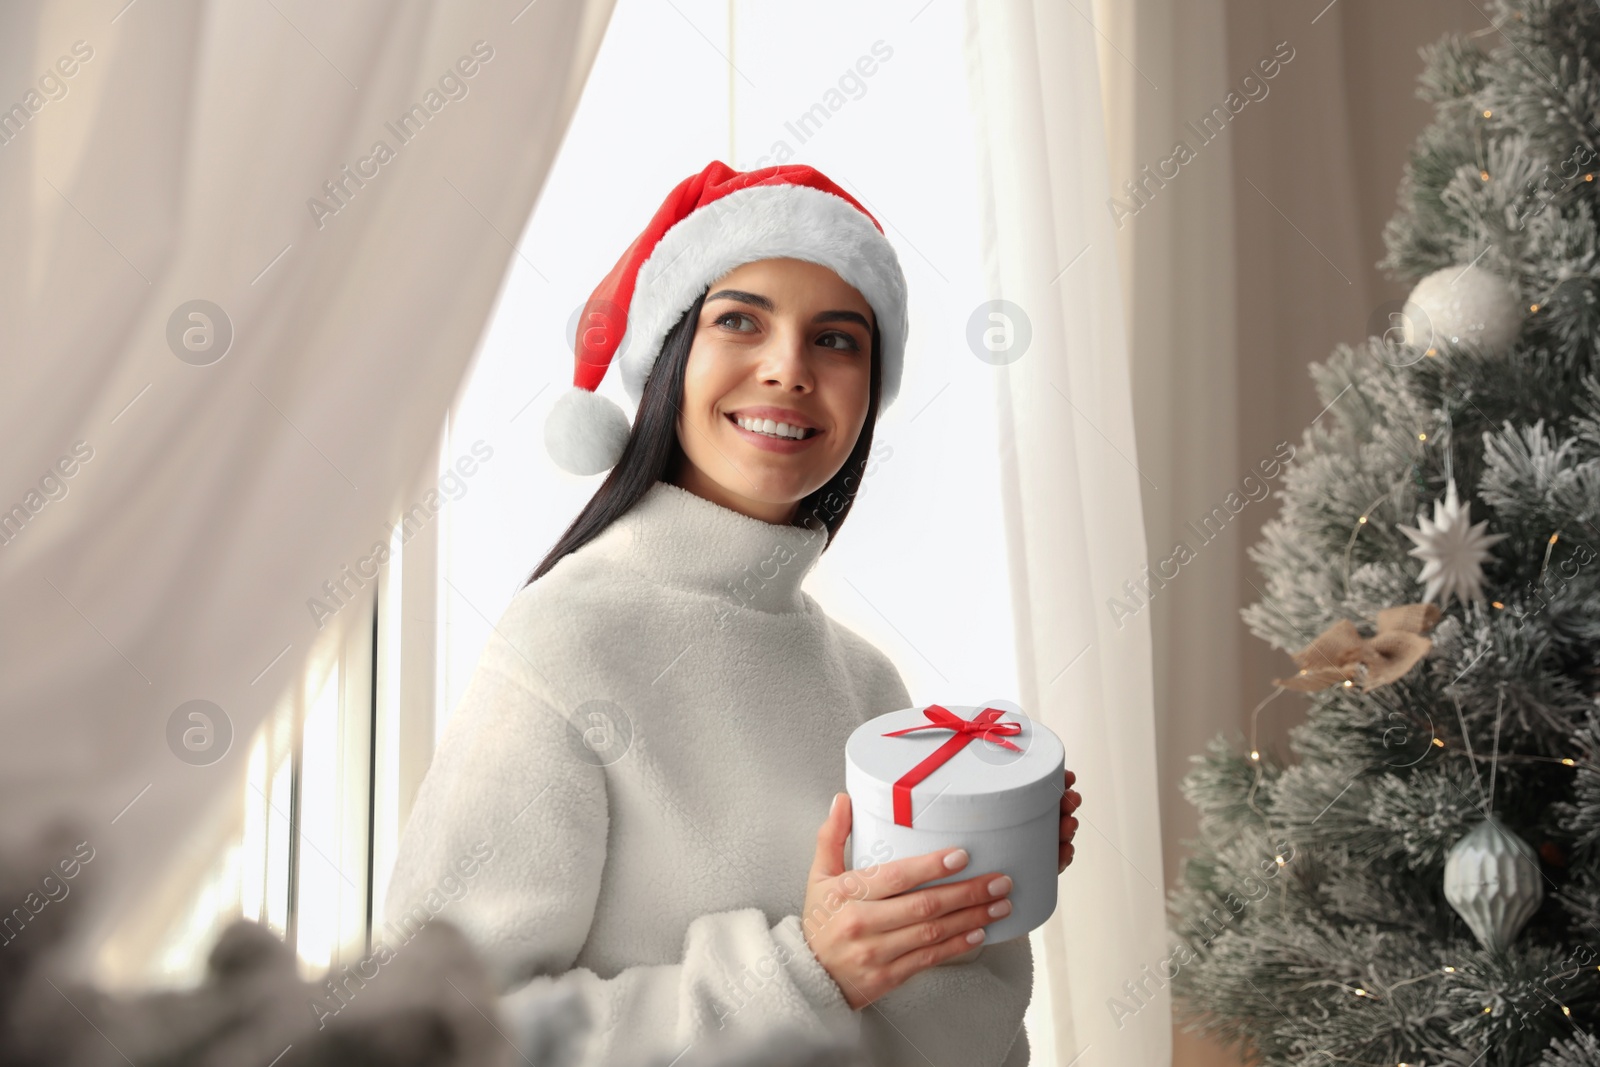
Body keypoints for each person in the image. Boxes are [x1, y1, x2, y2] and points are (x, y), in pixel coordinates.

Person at [382, 160, 1082, 1066]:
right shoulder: (564, 644)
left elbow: (969, 1043)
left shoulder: (867, 682)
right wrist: (805, 973)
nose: (789, 368)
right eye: (740, 320)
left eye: (837, 340)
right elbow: (441, 1034)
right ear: (670, 356)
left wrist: (977, 889)